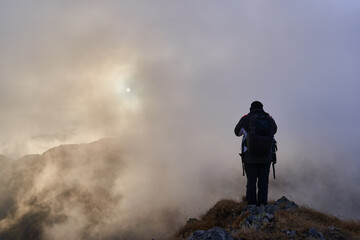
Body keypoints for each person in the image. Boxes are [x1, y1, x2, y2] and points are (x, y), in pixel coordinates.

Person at [234, 101, 277, 206]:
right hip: (266, 156)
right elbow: (274, 131)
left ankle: (251, 205)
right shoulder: (269, 119)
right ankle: (262, 205)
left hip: (250, 157)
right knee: (263, 183)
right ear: (262, 108)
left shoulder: (246, 119)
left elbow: (237, 132)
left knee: (251, 182)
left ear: (250, 109)